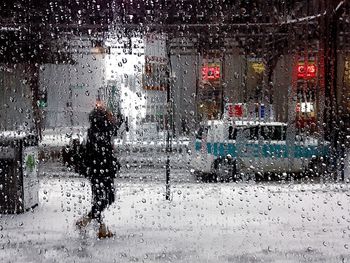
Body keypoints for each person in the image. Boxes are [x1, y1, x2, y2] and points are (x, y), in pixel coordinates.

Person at [75, 102, 119, 239]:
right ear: (103, 118)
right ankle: (85, 221)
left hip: (97, 170)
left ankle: (101, 229)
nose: (111, 116)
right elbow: (104, 152)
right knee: (106, 198)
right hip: (101, 171)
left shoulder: (97, 129)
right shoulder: (101, 130)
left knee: (99, 199)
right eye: (108, 114)